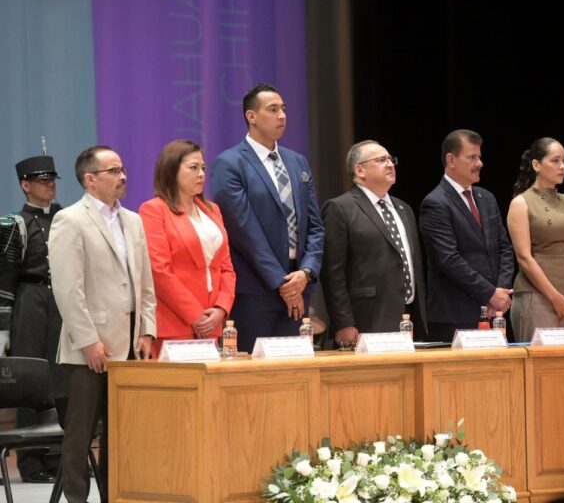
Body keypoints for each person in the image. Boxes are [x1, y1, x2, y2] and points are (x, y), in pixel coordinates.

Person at [49, 145, 156, 503]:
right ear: (90, 179)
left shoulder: (133, 220)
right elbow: (68, 288)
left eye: (122, 169)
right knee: (80, 434)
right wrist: (88, 341)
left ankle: (116, 495)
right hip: (90, 348)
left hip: (129, 345)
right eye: (113, 171)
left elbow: (144, 282)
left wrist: (147, 330)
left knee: (120, 432)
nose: (123, 176)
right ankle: (77, 498)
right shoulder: (70, 220)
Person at [209, 83, 324, 352]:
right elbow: (245, 232)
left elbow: (315, 227)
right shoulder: (230, 163)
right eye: (273, 110)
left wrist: (307, 273)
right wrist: (283, 285)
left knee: (295, 370)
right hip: (256, 291)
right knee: (255, 370)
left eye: (283, 109)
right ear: (251, 116)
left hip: (299, 284)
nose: (282, 115)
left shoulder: (297, 162)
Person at [321, 140, 427, 346]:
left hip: (410, 317)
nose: (390, 164)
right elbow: (333, 273)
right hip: (366, 319)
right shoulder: (340, 208)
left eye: (391, 159)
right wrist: (343, 322)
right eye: (381, 160)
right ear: (360, 170)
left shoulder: (404, 209)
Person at [139, 140, 236, 356]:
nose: (201, 174)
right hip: (175, 323)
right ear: (172, 170)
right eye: (193, 168)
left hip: (211, 322)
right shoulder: (154, 210)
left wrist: (221, 308)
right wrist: (195, 315)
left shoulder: (212, 210)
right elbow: (159, 270)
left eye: (203, 168)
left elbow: (226, 267)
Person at [0, 154, 63, 483]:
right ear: (25, 185)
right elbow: (5, 278)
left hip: (61, 302)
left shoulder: (66, 218)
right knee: (31, 382)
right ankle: (30, 461)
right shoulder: (14, 224)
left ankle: (57, 457)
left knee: (60, 379)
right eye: (42, 180)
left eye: (52, 179)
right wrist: (3, 328)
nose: (49, 184)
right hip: (30, 301)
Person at [420, 129, 515, 342]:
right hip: (455, 315)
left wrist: (500, 291)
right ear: (451, 160)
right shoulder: (435, 203)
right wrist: (489, 293)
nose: (479, 163)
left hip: (494, 313)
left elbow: (504, 248)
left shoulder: (487, 198)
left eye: (479, 157)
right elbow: (448, 259)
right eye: (472, 157)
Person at [507, 137, 564, 342]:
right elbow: (524, 258)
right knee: (539, 359)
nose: (562, 166)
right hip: (537, 297)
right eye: (555, 160)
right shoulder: (521, 203)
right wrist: (554, 297)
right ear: (536, 165)